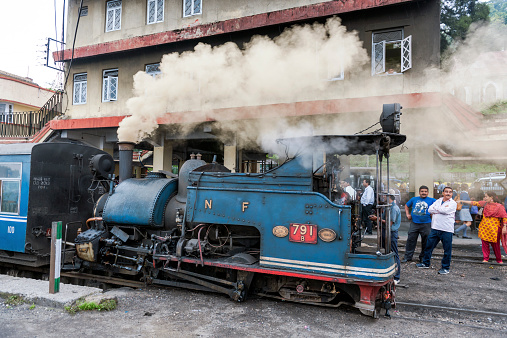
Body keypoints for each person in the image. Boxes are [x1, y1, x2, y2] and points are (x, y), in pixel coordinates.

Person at [417, 187, 457, 274]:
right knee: (428, 247)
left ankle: (445, 268)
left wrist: (437, 209)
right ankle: (425, 263)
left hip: (447, 229)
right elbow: (430, 209)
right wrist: (440, 209)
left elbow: (445, 211)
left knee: (447, 250)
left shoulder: (453, 203)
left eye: (450, 192)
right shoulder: (438, 200)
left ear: (452, 194)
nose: (448, 193)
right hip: (435, 228)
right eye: (446, 192)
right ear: (443, 193)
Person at [461, 192, 506, 264]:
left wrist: (504, 227)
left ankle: (499, 260)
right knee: (484, 244)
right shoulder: (484, 204)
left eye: (486, 197)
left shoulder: (499, 206)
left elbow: (504, 217)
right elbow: (474, 203)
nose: (485, 198)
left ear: (491, 197)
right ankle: (485, 258)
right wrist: (462, 201)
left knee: (496, 245)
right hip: (484, 227)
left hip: (494, 228)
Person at [369, 194, 401, 284]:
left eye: (384, 197)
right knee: (387, 251)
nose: (382, 198)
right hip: (385, 231)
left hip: (390, 232)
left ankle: (397, 277)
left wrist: (377, 219)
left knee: (394, 253)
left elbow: (390, 223)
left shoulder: (393, 209)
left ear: (389, 198)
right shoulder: (389, 207)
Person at [402, 186, 436, 263]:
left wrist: (433, 214)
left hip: (426, 224)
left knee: (426, 241)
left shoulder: (432, 200)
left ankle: (423, 257)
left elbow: (439, 207)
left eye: (425, 191)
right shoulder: (414, 199)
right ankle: (408, 257)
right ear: (419, 192)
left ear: (428, 192)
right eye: (422, 191)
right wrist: (408, 214)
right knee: (411, 240)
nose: (423, 193)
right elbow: (407, 205)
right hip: (414, 223)